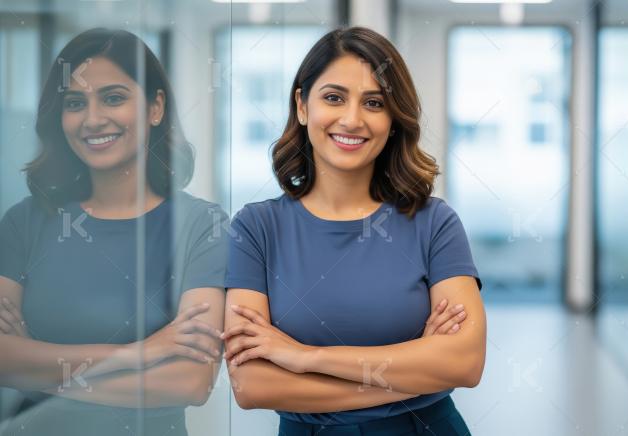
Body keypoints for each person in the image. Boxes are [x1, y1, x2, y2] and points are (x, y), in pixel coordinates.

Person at [222, 26, 486, 435]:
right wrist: (415, 372)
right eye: (333, 97)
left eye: (374, 102)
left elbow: (465, 363)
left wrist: (306, 357)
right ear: (302, 105)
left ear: (393, 119)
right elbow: (253, 384)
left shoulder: (434, 223)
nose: (352, 119)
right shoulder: (257, 229)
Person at [0, 28, 226, 436]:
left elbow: (190, 382)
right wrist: (136, 355)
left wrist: (35, 367)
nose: (93, 119)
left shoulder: (201, 226)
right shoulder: (25, 222)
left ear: (156, 108)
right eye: (74, 103)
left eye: (114, 97)